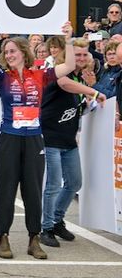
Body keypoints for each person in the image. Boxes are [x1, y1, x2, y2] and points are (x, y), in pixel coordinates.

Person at [0, 20, 75, 260]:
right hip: (8, 139)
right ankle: (3, 236)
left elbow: (70, 65)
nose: (9, 55)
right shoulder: (2, 77)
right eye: (6, 52)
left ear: (24, 52)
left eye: (12, 51)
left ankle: (34, 239)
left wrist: (69, 39)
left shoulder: (41, 75)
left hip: (34, 139)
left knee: (33, 191)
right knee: (6, 189)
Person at [39, 39, 106, 248]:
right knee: (52, 185)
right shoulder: (60, 73)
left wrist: (91, 99)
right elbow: (63, 84)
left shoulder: (80, 78)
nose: (82, 58)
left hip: (68, 140)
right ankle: (46, 228)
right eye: (77, 54)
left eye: (85, 54)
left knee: (74, 183)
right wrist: (92, 92)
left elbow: (79, 108)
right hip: (50, 137)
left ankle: (57, 220)